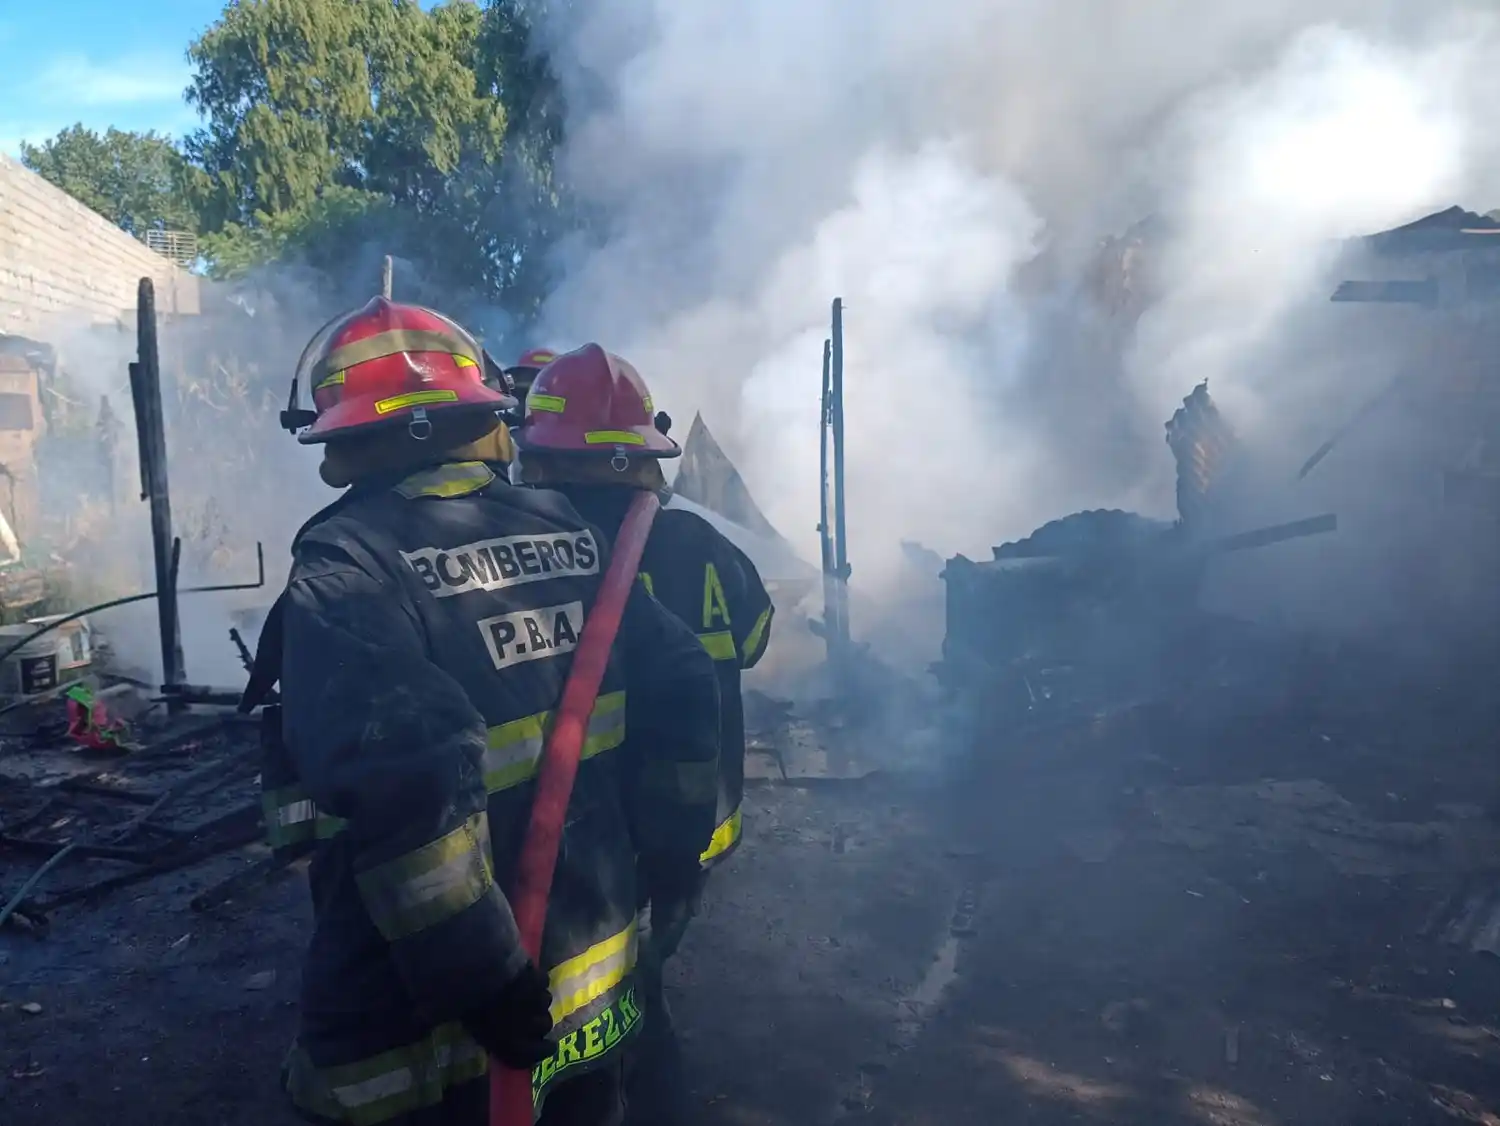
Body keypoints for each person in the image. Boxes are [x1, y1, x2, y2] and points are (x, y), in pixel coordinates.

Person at [240, 298, 721, 1126]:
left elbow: (408, 771)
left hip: (431, 1018)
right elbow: (682, 678)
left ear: (357, 436)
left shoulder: (350, 563)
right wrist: (673, 851)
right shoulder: (568, 529)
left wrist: (482, 976)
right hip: (593, 965)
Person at [510, 344, 774, 1126]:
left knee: (614, 987)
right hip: (704, 807)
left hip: (599, 821)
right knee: (647, 957)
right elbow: (754, 639)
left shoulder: (542, 552)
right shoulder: (706, 544)